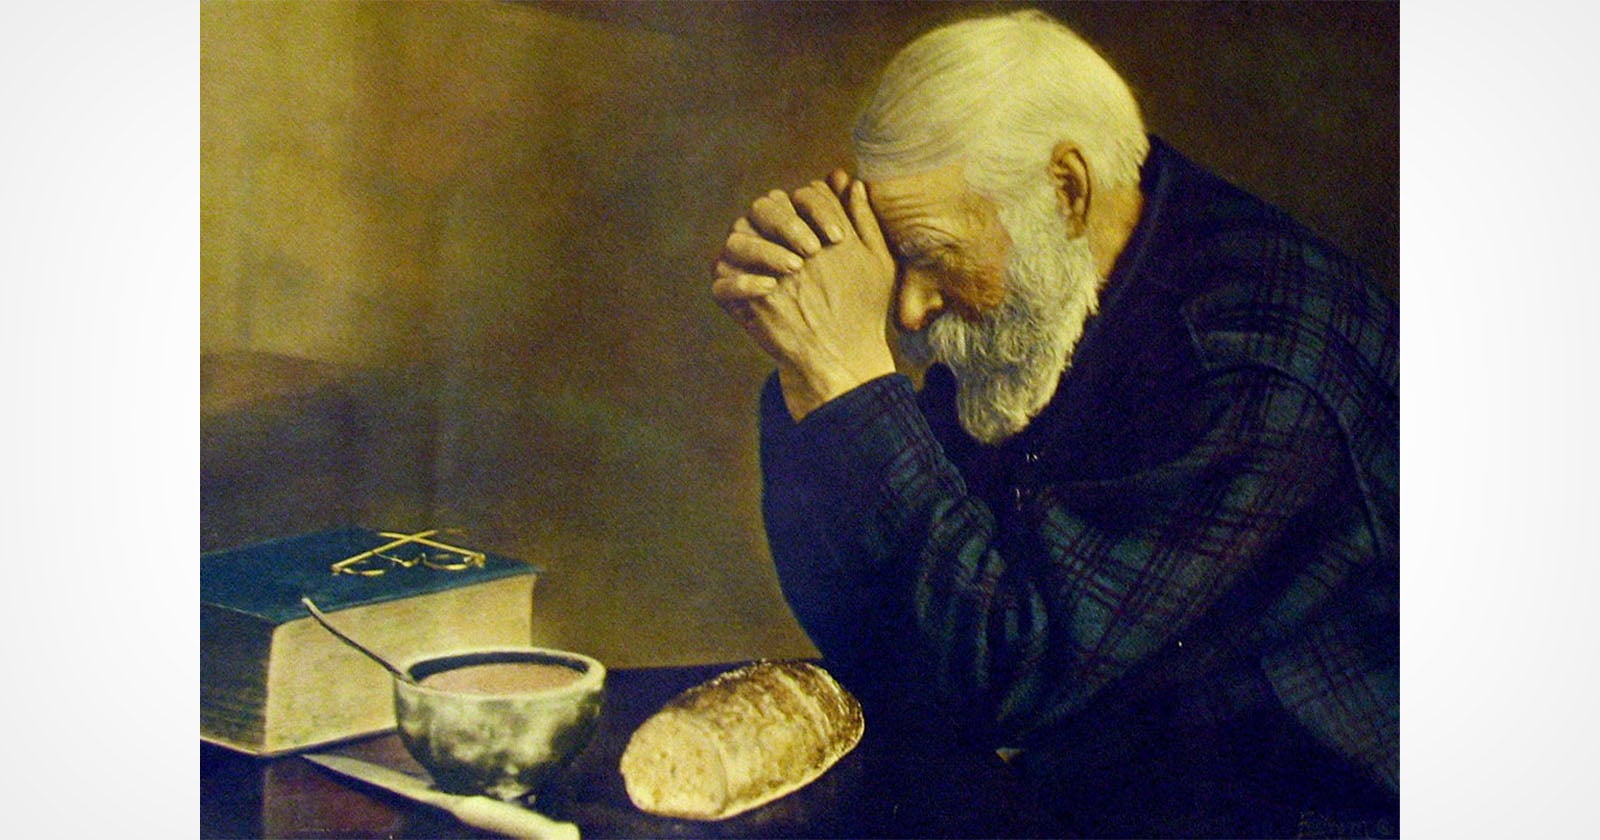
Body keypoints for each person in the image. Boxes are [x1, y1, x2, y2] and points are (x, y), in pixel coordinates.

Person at [712, 9, 1397, 838]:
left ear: (1066, 188)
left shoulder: (1252, 358)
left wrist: (849, 377)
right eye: (895, 262)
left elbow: (1006, 676)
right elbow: (889, 639)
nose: (910, 308)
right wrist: (807, 375)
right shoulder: (1040, 306)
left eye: (929, 253)